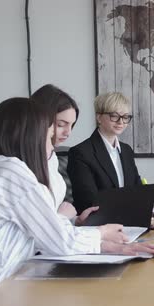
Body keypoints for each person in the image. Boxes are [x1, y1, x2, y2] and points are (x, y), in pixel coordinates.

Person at [0, 98, 154, 303]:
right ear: (29, 138)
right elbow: (60, 241)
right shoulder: (10, 172)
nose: (53, 146)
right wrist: (102, 233)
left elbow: (41, 232)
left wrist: (83, 230)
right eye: (49, 138)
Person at [67, 92, 147, 214]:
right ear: (99, 117)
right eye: (114, 116)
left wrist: (149, 198)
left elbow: (135, 188)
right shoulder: (81, 153)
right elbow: (88, 201)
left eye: (125, 117)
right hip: (98, 225)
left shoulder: (126, 151)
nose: (121, 122)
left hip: (129, 220)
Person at [31, 84, 98, 225]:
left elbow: (54, 215)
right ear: (41, 120)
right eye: (61, 124)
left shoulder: (52, 157)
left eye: (71, 125)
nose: (68, 133)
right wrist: (62, 218)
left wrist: (76, 221)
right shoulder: (20, 165)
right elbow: (39, 226)